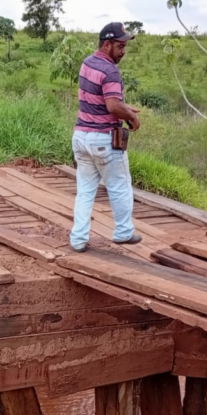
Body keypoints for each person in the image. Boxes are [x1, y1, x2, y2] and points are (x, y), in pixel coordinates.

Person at [70, 22, 142, 253]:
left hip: (81, 137)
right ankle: (123, 232)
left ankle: (78, 239)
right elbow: (112, 106)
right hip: (103, 141)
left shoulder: (87, 63)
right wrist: (130, 116)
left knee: (85, 191)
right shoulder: (110, 70)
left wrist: (123, 107)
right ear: (107, 44)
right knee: (119, 186)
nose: (123, 51)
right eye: (120, 46)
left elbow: (97, 99)